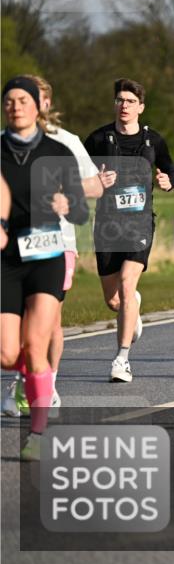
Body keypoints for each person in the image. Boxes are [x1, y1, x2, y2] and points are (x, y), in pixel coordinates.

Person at [2, 76, 103, 418]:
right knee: (15, 344)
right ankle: (32, 370)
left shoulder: (64, 144)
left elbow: (88, 190)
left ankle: (46, 389)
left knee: (49, 324)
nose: (21, 106)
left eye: (31, 99)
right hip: (10, 251)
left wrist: (68, 198)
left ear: (44, 103)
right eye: (12, 100)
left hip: (53, 246)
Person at [84, 79, 174, 384]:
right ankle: (131, 307)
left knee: (126, 285)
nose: (123, 106)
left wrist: (169, 181)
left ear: (141, 106)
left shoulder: (154, 141)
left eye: (129, 101)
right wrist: (94, 182)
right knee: (114, 300)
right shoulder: (99, 139)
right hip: (106, 227)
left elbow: (172, 169)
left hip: (139, 225)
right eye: (119, 100)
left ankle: (121, 359)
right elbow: (77, 174)